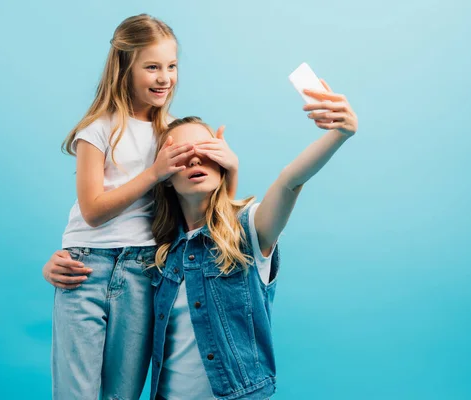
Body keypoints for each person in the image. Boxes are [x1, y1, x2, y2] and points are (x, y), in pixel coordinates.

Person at [46, 14, 239, 400]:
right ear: (124, 68)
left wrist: (231, 169)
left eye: (171, 66)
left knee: (123, 393)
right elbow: (92, 211)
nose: (164, 77)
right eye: (152, 67)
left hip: (144, 269)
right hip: (86, 266)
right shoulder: (98, 130)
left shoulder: (172, 134)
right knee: (76, 392)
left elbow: (204, 207)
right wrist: (155, 171)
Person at [144, 83, 358, 399]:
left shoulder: (247, 230)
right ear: (165, 178)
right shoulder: (160, 252)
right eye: (179, 153)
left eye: (205, 149)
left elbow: (291, 181)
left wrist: (340, 133)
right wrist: (54, 268)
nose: (194, 159)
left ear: (223, 160)